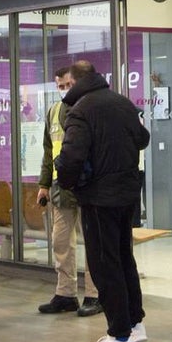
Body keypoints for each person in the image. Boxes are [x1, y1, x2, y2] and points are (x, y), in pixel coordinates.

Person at [55, 60, 151, 342]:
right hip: (126, 193)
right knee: (124, 259)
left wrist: (67, 181)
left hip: (98, 197)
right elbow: (143, 138)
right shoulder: (121, 102)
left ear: (74, 81)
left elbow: (71, 156)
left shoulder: (80, 111)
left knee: (103, 263)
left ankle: (119, 336)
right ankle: (134, 324)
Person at [36, 66, 102, 317]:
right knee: (61, 243)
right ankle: (65, 293)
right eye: (60, 85)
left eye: (67, 84)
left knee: (93, 243)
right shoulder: (54, 111)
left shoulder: (91, 108)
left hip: (88, 185)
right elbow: (48, 151)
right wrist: (43, 185)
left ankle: (95, 294)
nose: (63, 90)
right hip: (60, 187)